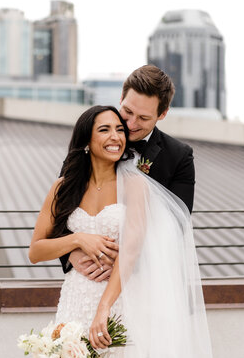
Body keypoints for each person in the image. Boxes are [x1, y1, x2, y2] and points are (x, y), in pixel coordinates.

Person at [27, 105, 229, 358]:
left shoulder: (134, 183)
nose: (116, 136)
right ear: (87, 139)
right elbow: (36, 249)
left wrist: (105, 308)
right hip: (73, 307)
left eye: (120, 129)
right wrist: (76, 241)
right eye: (105, 129)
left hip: (118, 306)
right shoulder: (63, 186)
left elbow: (132, 250)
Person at [62, 64, 195, 284]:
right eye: (128, 112)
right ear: (122, 97)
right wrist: (70, 254)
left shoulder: (179, 157)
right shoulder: (89, 144)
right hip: (87, 278)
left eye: (143, 118)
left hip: (147, 283)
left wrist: (121, 263)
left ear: (162, 114)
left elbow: (175, 227)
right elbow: (59, 213)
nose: (131, 124)